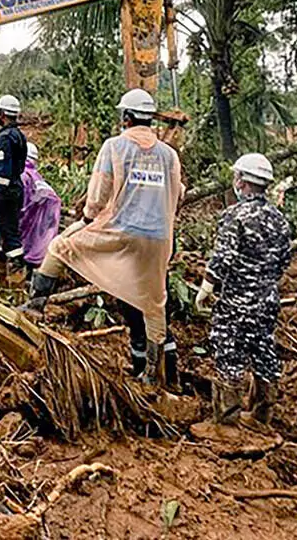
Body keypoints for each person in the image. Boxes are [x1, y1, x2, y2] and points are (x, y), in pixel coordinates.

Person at [23, 89, 183, 385]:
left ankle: (34, 306)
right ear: (150, 120)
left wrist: (86, 219)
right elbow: (178, 193)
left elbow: (99, 193)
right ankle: (152, 373)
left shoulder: (115, 146)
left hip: (120, 231)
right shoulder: (169, 155)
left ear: (126, 118)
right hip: (159, 239)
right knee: (153, 304)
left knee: (59, 247)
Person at [194, 153, 293, 428]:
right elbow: (285, 260)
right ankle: (262, 416)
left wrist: (207, 286)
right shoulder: (279, 219)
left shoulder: (235, 216)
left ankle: (226, 422)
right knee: (264, 350)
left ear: (242, 181)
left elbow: (223, 257)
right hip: (268, 299)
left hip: (237, 300)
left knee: (229, 352)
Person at [0, 95, 28, 265]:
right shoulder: (19, 135)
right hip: (15, 190)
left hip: (6, 193)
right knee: (1, 230)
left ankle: (16, 271)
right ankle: (1, 268)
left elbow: (4, 176)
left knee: (8, 233)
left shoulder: (5, 137)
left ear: (2, 114)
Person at [18, 142, 62, 270]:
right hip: (47, 223)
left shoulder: (23, 175)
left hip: (33, 223)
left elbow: (21, 205)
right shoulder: (34, 175)